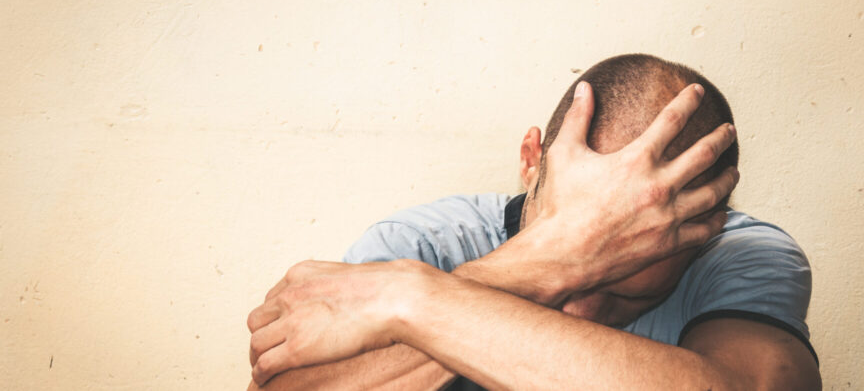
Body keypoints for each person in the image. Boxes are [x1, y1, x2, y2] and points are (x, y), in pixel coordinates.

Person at [246, 54, 821, 390]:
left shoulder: (739, 252)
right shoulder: (422, 243)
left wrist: (414, 302)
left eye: (625, 281)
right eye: (575, 233)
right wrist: (540, 264)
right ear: (530, 161)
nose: (580, 310)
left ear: (706, 224)